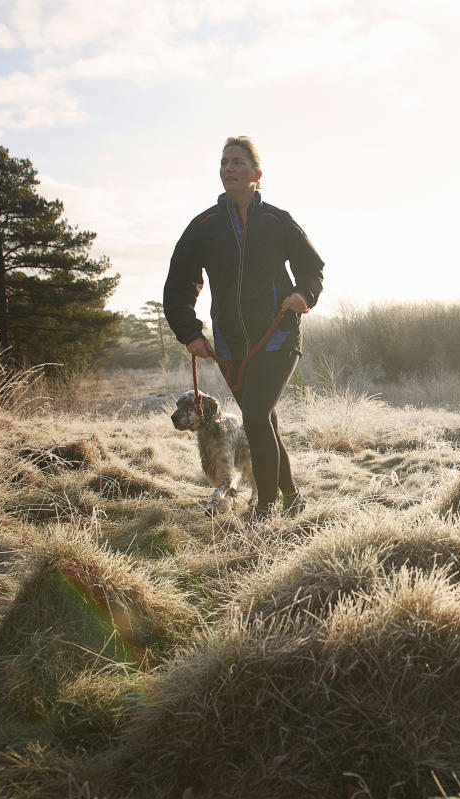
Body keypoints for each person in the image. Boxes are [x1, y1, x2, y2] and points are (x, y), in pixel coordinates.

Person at [164, 136, 324, 522]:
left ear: (257, 174)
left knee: (254, 416)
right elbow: (179, 282)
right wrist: (191, 332)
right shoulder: (203, 227)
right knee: (263, 420)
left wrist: (304, 293)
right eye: (223, 163)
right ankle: (292, 497)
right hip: (232, 348)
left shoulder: (277, 221)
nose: (228, 169)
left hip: (278, 335)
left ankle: (265, 508)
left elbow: (312, 266)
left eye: (237, 162)